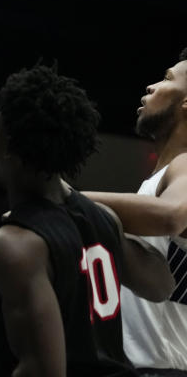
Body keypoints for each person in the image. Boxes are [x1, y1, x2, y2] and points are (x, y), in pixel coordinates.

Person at [0, 65, 175, 376]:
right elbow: (161, 286)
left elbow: (43, 369)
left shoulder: (14, 244)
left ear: (7, 144)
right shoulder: (104, 219)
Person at [84, 48, 187, 375]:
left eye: (168, 78)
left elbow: (171, 214)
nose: (151, 86)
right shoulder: (160, 180)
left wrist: (70, 199)